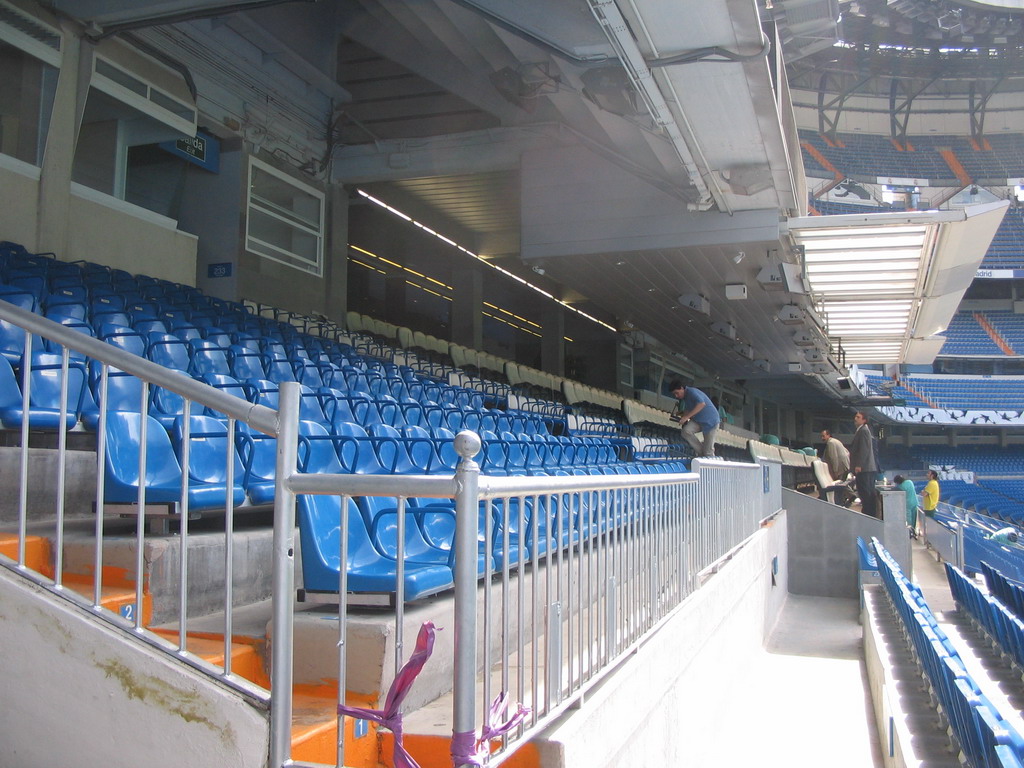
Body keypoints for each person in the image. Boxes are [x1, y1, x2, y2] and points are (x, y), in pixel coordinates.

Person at [669, 379, 720, 458]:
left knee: (708, 452)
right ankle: (701, 452)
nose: (676, 396)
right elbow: (688, 410)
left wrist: (686, 417)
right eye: (674, 394)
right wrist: (681, 416)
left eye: (676, 393)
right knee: (686, 431)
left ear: (682, 388)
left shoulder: (692, 392)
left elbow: (701, 404)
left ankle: (708, 461)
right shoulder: (686, 398)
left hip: (711, 422)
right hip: (699, 421)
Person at [849, 411, 879, 518]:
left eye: (858, 417)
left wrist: (859, 465)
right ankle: (868, 514)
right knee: (865, 493)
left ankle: (869, 516)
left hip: (865, 469)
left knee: (866, 494)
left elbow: (864, 449)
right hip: (865, 469)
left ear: (864, 420)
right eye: (855, 416)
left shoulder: (864, 431)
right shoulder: (861, 430)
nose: (855, 418)